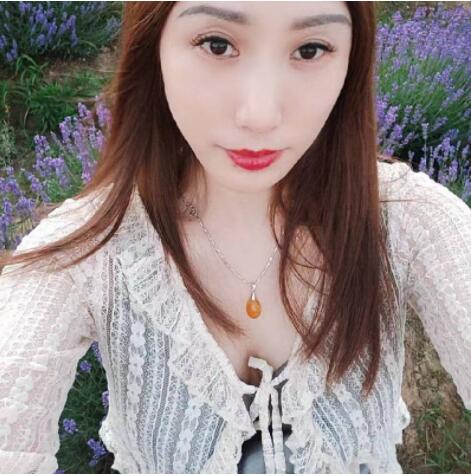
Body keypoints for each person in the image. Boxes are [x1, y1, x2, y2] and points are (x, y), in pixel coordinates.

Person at [0, 2, 470, 474]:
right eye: (217, 44)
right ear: (152, 46)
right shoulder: (91, 249)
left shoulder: (405, 218)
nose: (259, 115)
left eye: (310, 50)